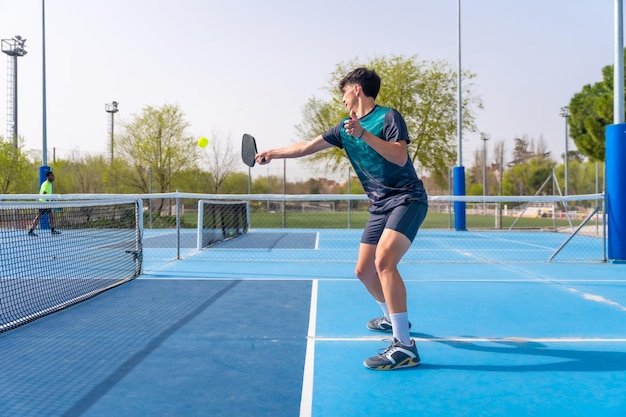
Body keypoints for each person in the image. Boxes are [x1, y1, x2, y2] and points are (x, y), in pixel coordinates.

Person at [256, 67, 428, 370]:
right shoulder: (343, 128)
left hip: (406, 197)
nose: (343, 99)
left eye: (344, 92)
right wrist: (273, 152)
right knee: (364, 271)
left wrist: (363, 134)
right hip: (379, 204)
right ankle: (391, 317)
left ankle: (405, 346)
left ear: (357, 90)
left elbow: (400, 157)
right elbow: (306, 146)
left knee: (384, 262)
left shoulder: (388, 117)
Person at [28, 171, 61, 236]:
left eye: (53, 175)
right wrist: (48, 201)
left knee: (50, 216)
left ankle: (52, 230)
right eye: (52, 176)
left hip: (46, 203)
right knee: (39, 217)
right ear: (48, 177)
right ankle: (31, 231)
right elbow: (44, 193)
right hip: (44, 203)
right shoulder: (46, 184)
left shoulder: (49, 184)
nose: (53, 177)